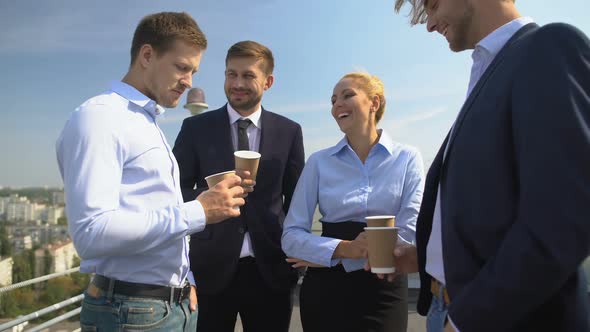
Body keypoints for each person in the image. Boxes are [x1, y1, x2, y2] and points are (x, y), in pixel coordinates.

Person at [380, 1, 590, 331]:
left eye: (432, 6)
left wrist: (467, 320)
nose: (430, 24)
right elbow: (491, 207)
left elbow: (561, 221)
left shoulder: (550, 48)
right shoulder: (490, 71)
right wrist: (425, 257)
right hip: (445, 307)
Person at [56, 12, 247, 331]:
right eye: (182, 67)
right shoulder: (100, 118)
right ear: (147, 55)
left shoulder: (145, 122)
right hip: (131, 312)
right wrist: (199, 211)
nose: (189, 82)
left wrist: (186, 282)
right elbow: (91, 234)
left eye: (193, 71)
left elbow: (152, 215)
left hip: (167, 307)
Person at [173, 40, 305, 332]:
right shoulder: (195, 129)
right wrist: (208, 198)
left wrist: (299, 253)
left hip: (271, 272)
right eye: (231, 74)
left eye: (248, 75)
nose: (237, 83)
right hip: (209, 271)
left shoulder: (290, 131)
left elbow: (297, 202)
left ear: (268, 82)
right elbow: (173, 192)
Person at [282, 72, 425, 332]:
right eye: (333, 100)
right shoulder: (318, 161)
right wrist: (347, 249)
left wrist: (325, 256)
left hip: (385, 288)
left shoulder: (408, 157)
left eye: (348, 95)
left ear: (374, 103)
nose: (337, 104)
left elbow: (410, 234)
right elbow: (291, 238)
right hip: (325, 293)